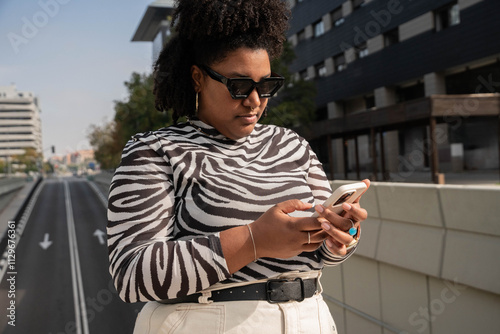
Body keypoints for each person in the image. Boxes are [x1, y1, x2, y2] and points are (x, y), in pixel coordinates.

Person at [107, 0, 370, 333]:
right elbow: (132, 275)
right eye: (239, 86)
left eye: (266, 85)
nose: (255, 101)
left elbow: (325, 254)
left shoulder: (292, 145)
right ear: (198, 78)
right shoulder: (155, 152)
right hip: (207, 322)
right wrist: (253, 240)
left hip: (310, 318)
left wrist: (341, 235)